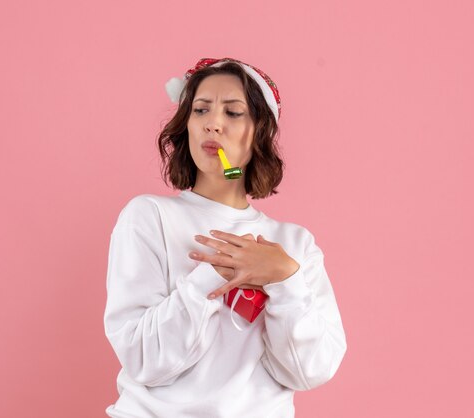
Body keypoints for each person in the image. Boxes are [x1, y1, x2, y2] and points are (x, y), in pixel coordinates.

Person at [103, 57, 347, 418]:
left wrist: (285, 279)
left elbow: (311, 370)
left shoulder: (294, 247)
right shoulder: (148, 217)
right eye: (201, 110)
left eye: (233, 113)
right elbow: (143, 359)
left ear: (260, 131)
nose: (213, 124)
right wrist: (214, 273)